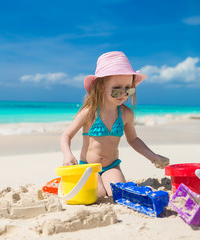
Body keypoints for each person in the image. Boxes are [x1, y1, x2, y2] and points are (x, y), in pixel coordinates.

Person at [60, 51, 170, 197]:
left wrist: (153, 157)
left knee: (116, 193)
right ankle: (73, 182)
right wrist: (68, 155)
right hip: (88, 167)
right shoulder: (90, 112)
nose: (124, 94)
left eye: (128, 89)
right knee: (97, 194)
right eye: (117, 90)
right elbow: (66, 135)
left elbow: (134, 140)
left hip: (112, 166)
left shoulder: (126, 114)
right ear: (101, 87)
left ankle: (101, 182)